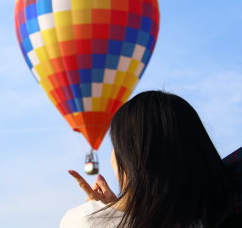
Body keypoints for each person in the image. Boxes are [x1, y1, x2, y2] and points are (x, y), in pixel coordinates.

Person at [60, 91, 240, 228]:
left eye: (116, 145)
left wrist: (104, 214)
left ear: (131, 156)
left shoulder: (82, 220)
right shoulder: (221, 216)